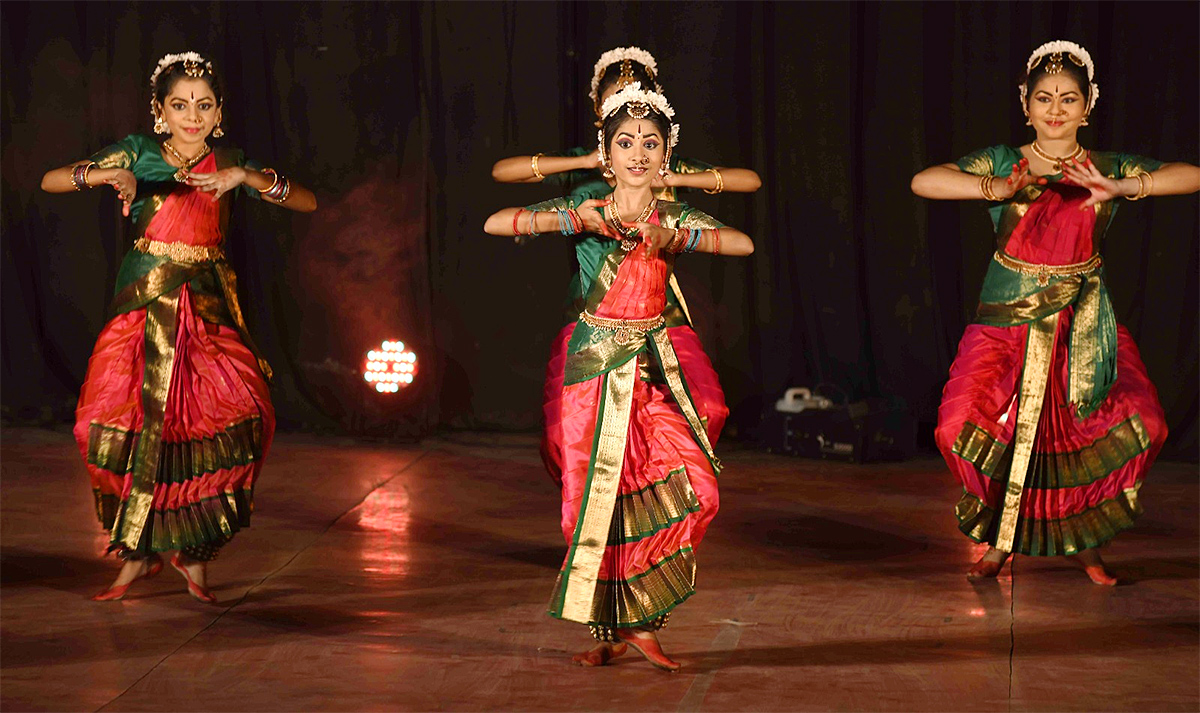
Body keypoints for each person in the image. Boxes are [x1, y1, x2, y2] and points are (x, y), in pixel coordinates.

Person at [484, 83, 753, 670]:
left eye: (651, 144)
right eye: (626, 142)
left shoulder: (671, 213)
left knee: (696, 490)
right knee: (596, 503)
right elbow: (495, 222)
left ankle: (637, 617)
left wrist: (674, 236)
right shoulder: (587, 209)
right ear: (607, 154)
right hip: (594, 368)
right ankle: (619, 628)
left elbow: (741, 241)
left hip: (654, 366)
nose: (638, 153)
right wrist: (568, 221)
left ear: (666, 156)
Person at [911, 41, 1199, 585]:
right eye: (1044, 97)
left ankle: (1084, 543)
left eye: (1069, 98)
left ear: (1088, 106)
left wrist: (1125, 187)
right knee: (956, 429)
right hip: (1006, 320)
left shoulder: (1106, 167)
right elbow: (924, 180)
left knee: (1142, 425)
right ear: (1025, 102)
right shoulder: (1004, 161)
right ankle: (1001, 536)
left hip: (1084, 326)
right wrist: (991, 187)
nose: (1056, 109)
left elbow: (1191, 174)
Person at [41, 51, 317, 603]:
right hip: (144, 305)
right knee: (125, 420)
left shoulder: (232, 161)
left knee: (233, 416)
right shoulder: (139, 152)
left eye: (204, 105)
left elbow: (306, 202)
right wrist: (104, 173)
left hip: (208, 307)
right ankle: (138, 556)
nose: (193, 116)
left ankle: (195, 556)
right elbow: (51, 180)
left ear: (219, 113)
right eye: (180, 105)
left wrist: (247, 177)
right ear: (160, 111)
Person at [491, 46, 760, 483]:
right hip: (590, 313)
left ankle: (652, 509)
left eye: (640, 95)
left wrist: (670, 180)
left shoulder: (657, 162)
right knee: (571, 436)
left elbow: (747, 192)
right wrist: (583, 170)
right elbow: (502, 182)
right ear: (599, 107)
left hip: (660, 317)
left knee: (696, 413)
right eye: (618, 96)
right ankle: (600, 521)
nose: (637, 150)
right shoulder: (587, 171)